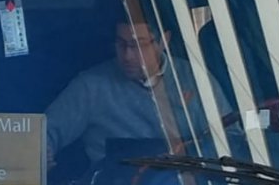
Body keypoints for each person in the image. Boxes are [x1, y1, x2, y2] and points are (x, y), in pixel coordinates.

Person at [46, 18, 233, 168]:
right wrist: (43, 153)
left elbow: (231, 138)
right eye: (121, 44)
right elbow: (44, 134)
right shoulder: (91, 86)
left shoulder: (195, 79)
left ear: (163, 41)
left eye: (138, 45)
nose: (127, 55)